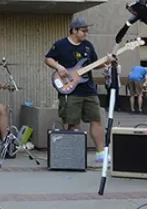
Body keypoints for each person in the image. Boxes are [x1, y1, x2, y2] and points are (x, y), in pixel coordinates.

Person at [45, 17, 114, 164]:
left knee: (96, 120)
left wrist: (106, 62)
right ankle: (73, 154)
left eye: (86, 31)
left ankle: (101, 153)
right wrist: (59, 67)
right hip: (70, 90)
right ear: (74, 30)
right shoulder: (61, 44)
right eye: (83, 31)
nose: (86, 34)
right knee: (72, 122)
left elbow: (95, 64)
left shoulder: (88, 46)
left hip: (88, 89)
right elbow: (48, 59)